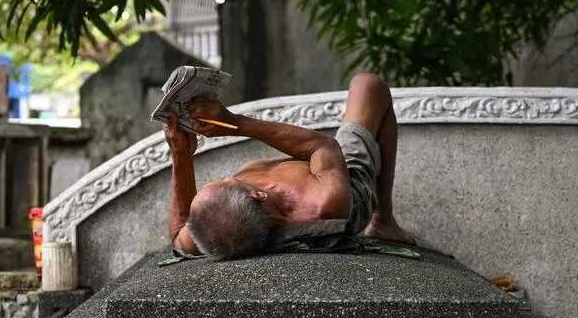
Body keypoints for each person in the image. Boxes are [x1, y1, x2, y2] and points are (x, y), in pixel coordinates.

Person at [166, 72, 414, 260]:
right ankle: (382, 220)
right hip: (346, 181)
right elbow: (323, 147)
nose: (227, 178)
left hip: (309, 169)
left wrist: (181, 155)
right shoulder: (323, 202)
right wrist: (234, 122)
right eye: (226, 181)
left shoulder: (211, 231)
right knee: (369, 85)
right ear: (257, 194)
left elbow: (178, 234)